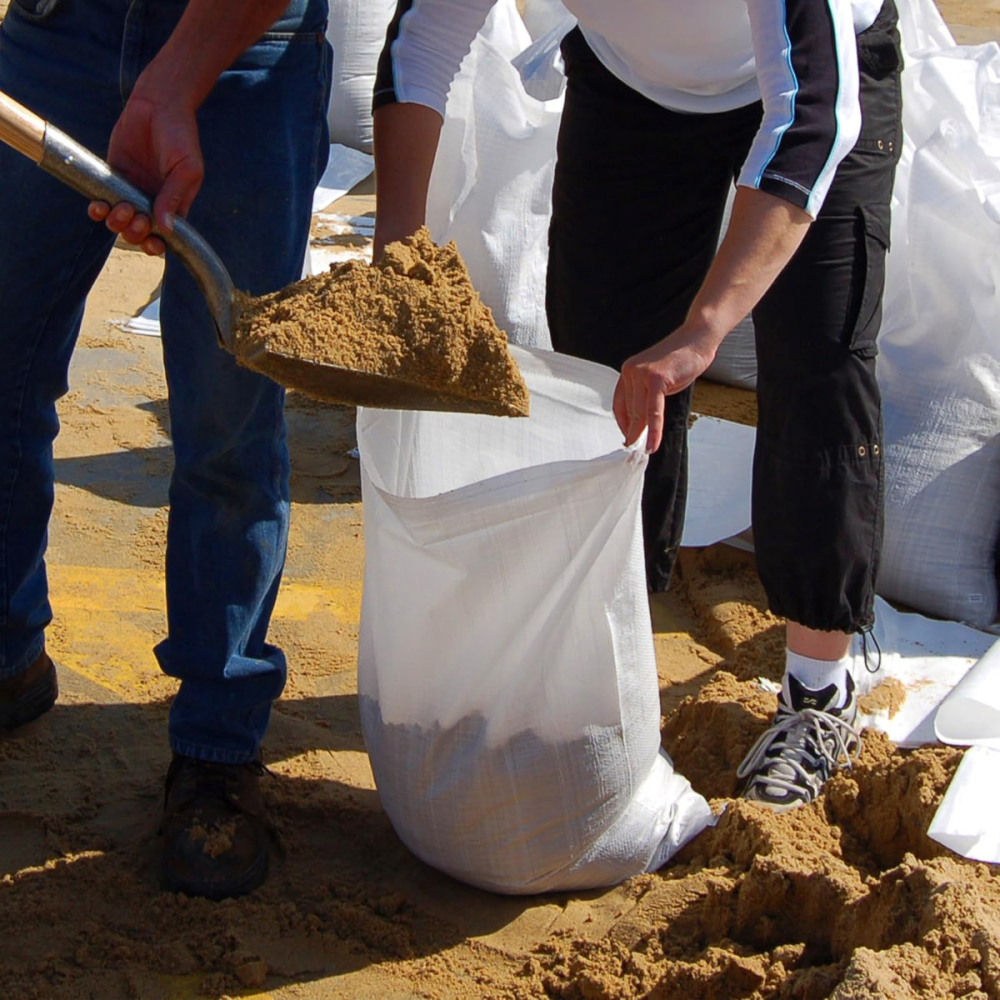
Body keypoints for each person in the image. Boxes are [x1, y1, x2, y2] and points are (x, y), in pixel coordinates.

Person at [371, 0, 902, 810]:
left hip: (818, 80)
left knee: (817, 358)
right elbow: (423, 39)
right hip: (635, 85)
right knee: (600, 367)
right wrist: (396, 248)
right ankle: (610, 667)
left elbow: (811, 120)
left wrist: (706, 325)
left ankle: (818, 690)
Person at [0, 0, 331, 897]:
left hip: (243, 52)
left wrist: (175, 77)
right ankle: (6, 654)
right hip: (53, 37)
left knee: (227, 417)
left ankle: (217, 746)